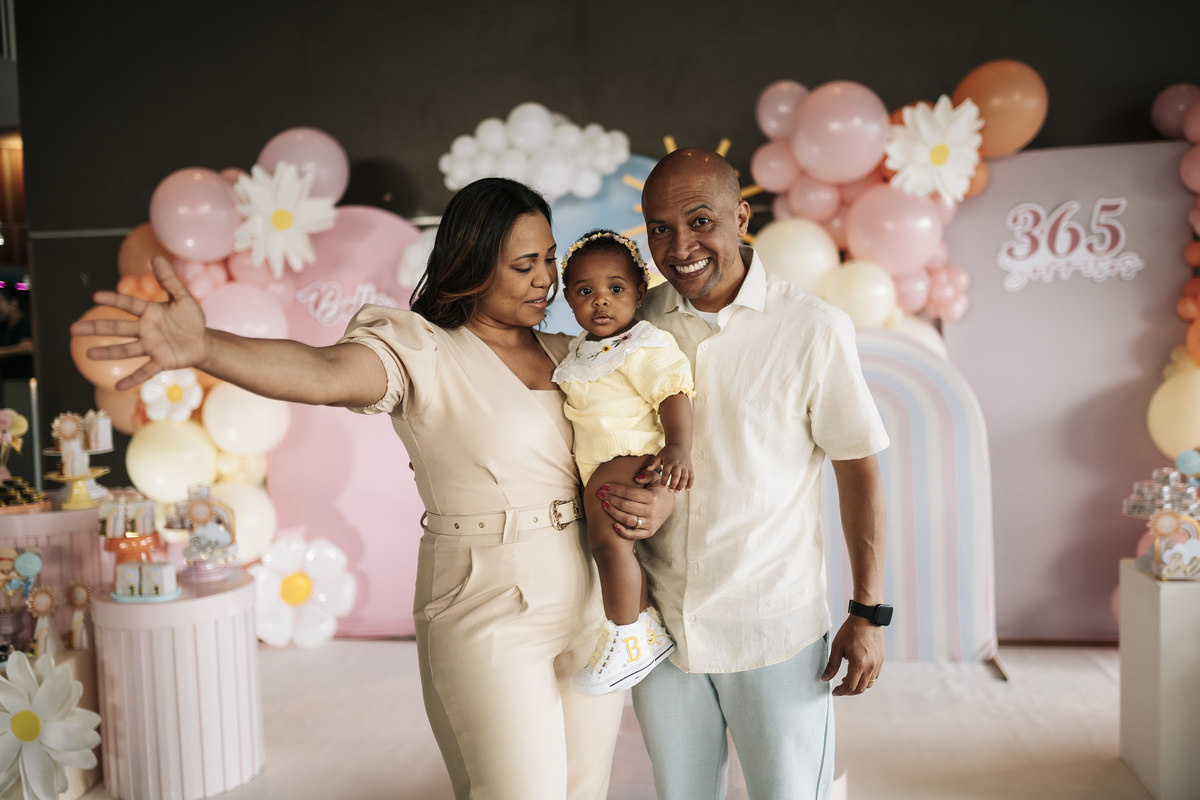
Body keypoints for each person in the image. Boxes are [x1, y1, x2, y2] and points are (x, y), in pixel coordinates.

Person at [70, 177, 675, 800]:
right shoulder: (422, 348)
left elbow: (644, 431)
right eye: (524, 265)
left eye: (549, 258)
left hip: (591, 596)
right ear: (471, 263)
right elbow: (322, 371)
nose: (545, 279)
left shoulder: (579, 353)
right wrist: (204, 347)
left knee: (586, 791)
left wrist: (659, 496)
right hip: (486, 599)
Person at [606, 148, 891, 800]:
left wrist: (868, 612)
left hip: (774, 631)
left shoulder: (813, 328)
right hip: (663, 632)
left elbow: (858, 470)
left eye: (700, 221)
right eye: (659, 228)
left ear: (740, 217)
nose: (680, 247)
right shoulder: (637, 324)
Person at [552, 228, 694, 696]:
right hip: (602, 460)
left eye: (615, 288)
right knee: (613, 547)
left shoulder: (643, 343)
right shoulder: (579, 350)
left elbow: (672, 392)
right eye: (584, 291)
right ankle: (643, 628)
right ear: (568, 299)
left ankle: (626, 633)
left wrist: (678, 446)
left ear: (639, 292)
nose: (600, 301)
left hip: (628, 453)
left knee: (608, 545)